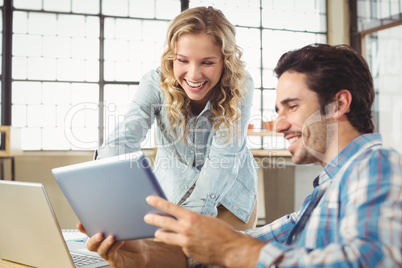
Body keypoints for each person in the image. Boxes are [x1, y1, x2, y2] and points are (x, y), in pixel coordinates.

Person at [79, 43, 402, 267]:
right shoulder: (322, 194)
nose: (279, 124)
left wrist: (234, 249)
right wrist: (144, 257)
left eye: (292, 106)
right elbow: (224, 249)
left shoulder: (374, 163)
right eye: (278, 110)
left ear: (338, 105)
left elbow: (373, 261)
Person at [96, 6, 258, 230]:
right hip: (173, 195)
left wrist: (191, 221)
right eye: (183, 60)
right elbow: (125, 137)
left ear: (225, 61)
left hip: (230, 198)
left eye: (207, 63)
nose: (193, 74)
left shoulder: (241, 84)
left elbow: (226, 155)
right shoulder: (155, 82)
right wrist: (102, 186)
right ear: (172, 57)